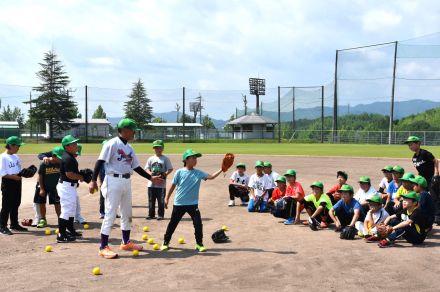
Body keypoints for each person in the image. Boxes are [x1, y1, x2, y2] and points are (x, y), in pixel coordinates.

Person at [89, 118, 162, 259]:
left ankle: (125, 242)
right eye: (133, 131)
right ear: (125, 131)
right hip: (113, 180)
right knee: (110, 213)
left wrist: (150, 177)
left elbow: (136, 167)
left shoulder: (129, 147)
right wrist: (93, 180)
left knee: (127, 213)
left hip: (126, 181)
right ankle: (103, 247)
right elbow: (100, 162)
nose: (134, 133)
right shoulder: (112, 144)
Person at [160, 149, 223, 252]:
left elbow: (211, 177)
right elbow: (172, 186)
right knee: (173, 224)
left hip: (193, 204)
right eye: (193, 158)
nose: (195, 160)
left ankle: (199, 244)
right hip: (179, 203)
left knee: (198, 224)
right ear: (186, 160)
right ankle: (166, 242)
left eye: (196, 158)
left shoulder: (198, 173)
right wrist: (166, 198)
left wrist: (222, 169)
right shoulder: (179, 172)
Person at [56, 135, 86, 243]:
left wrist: (80, 174)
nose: (76, 145)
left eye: (75, 143)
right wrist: (81, 177)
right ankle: (61, 234)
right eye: (73, 144)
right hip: (66, 186)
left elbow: (72, 173)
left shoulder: (70, 156)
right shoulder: (68, 158)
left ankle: (70, 230)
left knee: (72, 210)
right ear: (67, 146)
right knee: (66, 211)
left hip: (70, 187)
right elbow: (69, 174)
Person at [405, 135, 440, 224]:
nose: (410, 146)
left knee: (434, 196)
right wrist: (417, 178)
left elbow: (435, 161)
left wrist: (436, 174)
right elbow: (418, 169)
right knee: (422, 196)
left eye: (412, 144)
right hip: (422, 180)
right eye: (409, 145)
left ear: (418, 144)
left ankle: (438, 216)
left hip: (432, 178)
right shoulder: (414, 158)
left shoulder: (424, 153)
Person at [0, 136, 26, 235]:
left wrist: (25, 173)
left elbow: (19, 170)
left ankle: (14, 224)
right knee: (6, 205)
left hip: (17, 182)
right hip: (8, 182)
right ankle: (2, 226)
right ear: (11, 145)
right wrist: (14, 177)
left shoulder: (16, 157)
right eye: (17, 145)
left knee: (16, 203)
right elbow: (3, 173)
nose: (19, 147)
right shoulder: (3, 157)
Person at [34, 146, 63, 228]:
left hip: (55, 187)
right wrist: (42, 189)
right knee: (42, 202)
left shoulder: (61, 163)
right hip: (43, 185)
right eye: (59, 158)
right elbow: (40, 176)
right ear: (53, 156)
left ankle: (60, 219)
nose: (61, 159)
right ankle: (42, 219)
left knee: (57, 203)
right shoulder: (44, 163)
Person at [145, 140, 173, 220]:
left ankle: (160, 215)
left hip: (161, 184)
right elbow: (147, 168)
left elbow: (170, 169)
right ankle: (151, 214)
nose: (158, 149)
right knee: (151, 200)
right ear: (153, 149)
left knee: (160, 201)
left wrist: (164, 174)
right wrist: (150, 173)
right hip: (151, 183)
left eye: (159, 148)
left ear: (163, 148)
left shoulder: (165, 159)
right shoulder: (150, 158)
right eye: (156, 148)